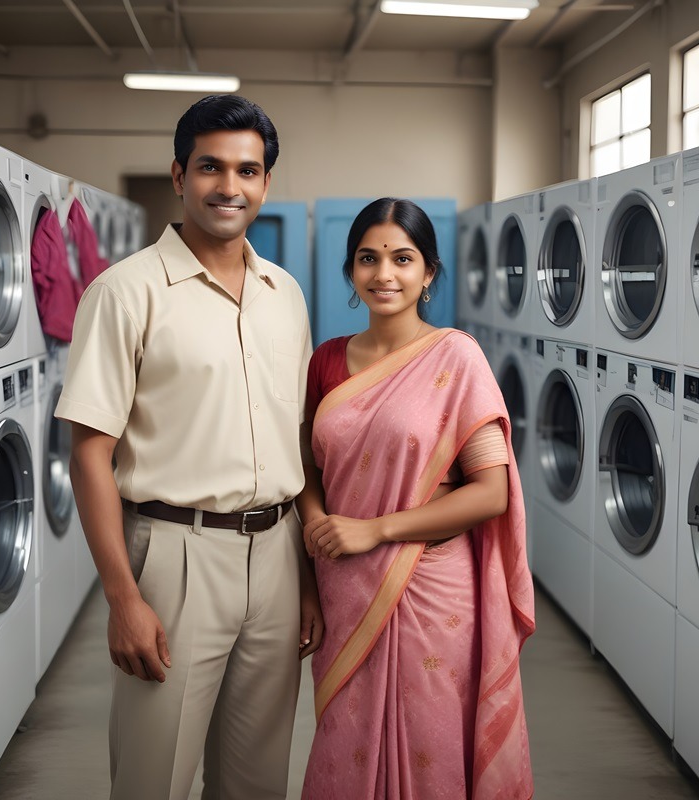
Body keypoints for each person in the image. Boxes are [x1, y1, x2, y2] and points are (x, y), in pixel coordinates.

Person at [55, 94, 322, 800]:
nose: (228, 187)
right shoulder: (125, 292)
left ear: (265, 183)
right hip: (173, 555)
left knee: (257, 780)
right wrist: (121, 598)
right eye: (210, 167)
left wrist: (307, 579)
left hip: (277, 553)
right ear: (179, 175)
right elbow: (89, 451)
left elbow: (298, 432)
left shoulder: (285, 294)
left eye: (247, 170)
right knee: (155, 778)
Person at [297, 198, 536, 799]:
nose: (384, 274)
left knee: (431, 749)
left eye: (402, 259)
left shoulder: (457, 359)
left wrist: (374, 531)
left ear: (428, 272)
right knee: (343, 741)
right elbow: (305, 470)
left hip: (432, 588)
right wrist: (319, 524)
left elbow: (492, 493)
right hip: (341, 580)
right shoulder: (326, 361)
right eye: (368, 258)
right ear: (350, 270)